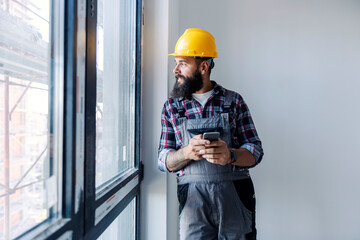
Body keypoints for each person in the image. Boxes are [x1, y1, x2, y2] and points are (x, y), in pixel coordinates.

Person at [158, 28, 264, 240]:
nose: (175, 70)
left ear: (204, 66)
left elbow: (256, 150)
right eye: (176, 62)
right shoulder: (171, 107)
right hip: (193, 204)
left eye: (183, 63)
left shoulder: (234, 102)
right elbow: (163, 161)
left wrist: (230, 156)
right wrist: (186, 153)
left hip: (235, 198)